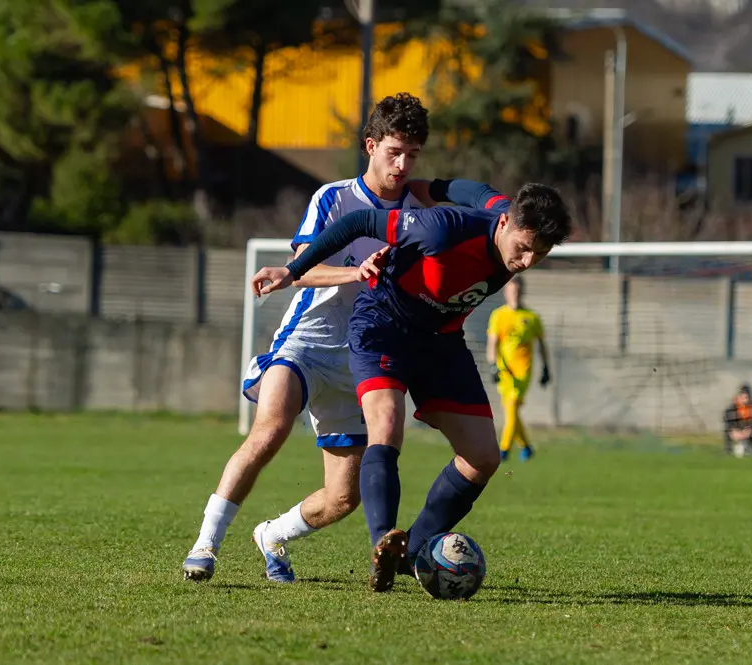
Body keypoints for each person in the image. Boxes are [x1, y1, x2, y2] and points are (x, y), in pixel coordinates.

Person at [253, 178, 573, 592]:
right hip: (383, 325)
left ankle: (410, 551)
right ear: (505, 223)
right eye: (524, 247)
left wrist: (432, 184)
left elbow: (475, 192)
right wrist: (292, 269)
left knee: (483, 457)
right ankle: (382, 543)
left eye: (540, 254)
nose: (527, 261)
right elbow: (358, 222)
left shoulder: (503, 211)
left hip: (441, 343)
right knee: (386, 424)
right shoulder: (439, 229)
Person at [182, 93, 430, 583]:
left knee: (344, 496)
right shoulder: (335, 198)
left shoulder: (420, 208)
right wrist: (355, 274)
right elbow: (304, 266)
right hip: (307, 342)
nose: (402, 165)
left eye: (413, 155)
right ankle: (205, 545)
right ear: (370, 146)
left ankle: (272, 534)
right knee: (269, 430)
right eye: (394, 152)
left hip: (363, 360)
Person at [485, 276, 550, 462]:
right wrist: (492, 366)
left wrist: (546, 368)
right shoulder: (498, 315)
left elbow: (542, 345)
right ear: (506, 292)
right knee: (511, 410)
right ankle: (527, 447)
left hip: (523, 371)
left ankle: (503, 450)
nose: (515, 294)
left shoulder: (531, 317)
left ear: (523, 292)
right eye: (512, 291)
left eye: (518, 291)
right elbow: (492, 344)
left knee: (512, 405)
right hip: (504, 370)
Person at [723, 384, 752, 457]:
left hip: (750, 432)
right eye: (743, 396)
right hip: (737, 431)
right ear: (738, 397)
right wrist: (734, 431)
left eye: (747, 397)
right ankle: (728, 450)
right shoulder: (731, 408)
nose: (745, 399)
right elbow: (728, 422)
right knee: (727, 431)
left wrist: (749, 430)